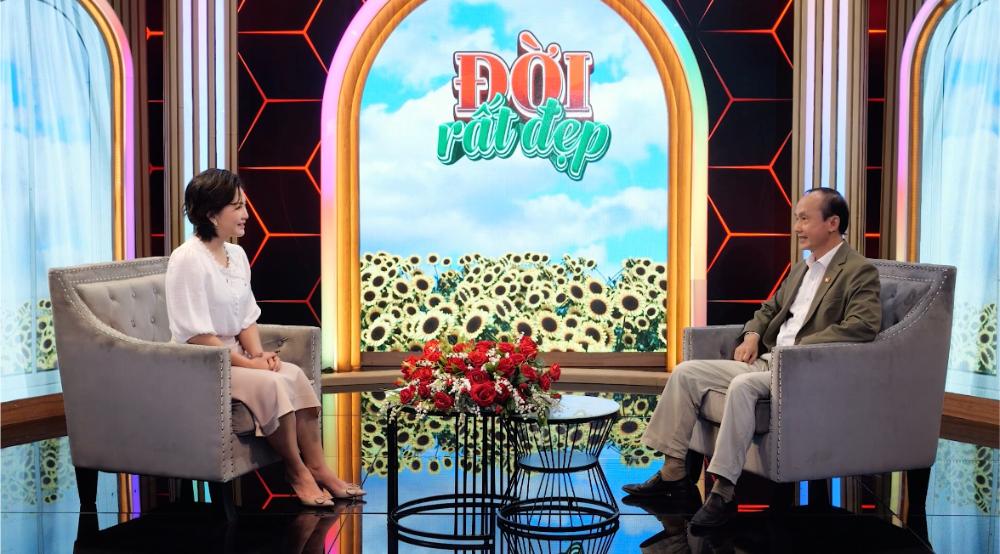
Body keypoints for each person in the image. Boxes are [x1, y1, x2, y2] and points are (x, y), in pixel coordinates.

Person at [623, 187, 881, 528]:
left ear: (832, 223)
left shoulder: (859, 271)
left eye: (805, 219)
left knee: (743, 387)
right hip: (768, 361)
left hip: (800, 370)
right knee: (686, 373)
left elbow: (863, 326)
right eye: (797, 219)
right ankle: (673, 472)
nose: (797, 227)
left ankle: (723, 492)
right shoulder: (803, 268)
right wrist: (752, 335)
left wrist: (800, 348)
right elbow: (769, 309)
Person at [165, 168, 364, 508]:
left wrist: (259, 356)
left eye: (244, 205)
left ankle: (319, 468)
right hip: (201, 364)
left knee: (293, 375)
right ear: (212, 214)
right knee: (271, 384)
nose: (246, 214)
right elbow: (197, 336)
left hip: (235, 357)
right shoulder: (187, 260)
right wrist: (251, 366)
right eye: (237, 207)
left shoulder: (237, 255)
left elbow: (245, 318)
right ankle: (296, 471)